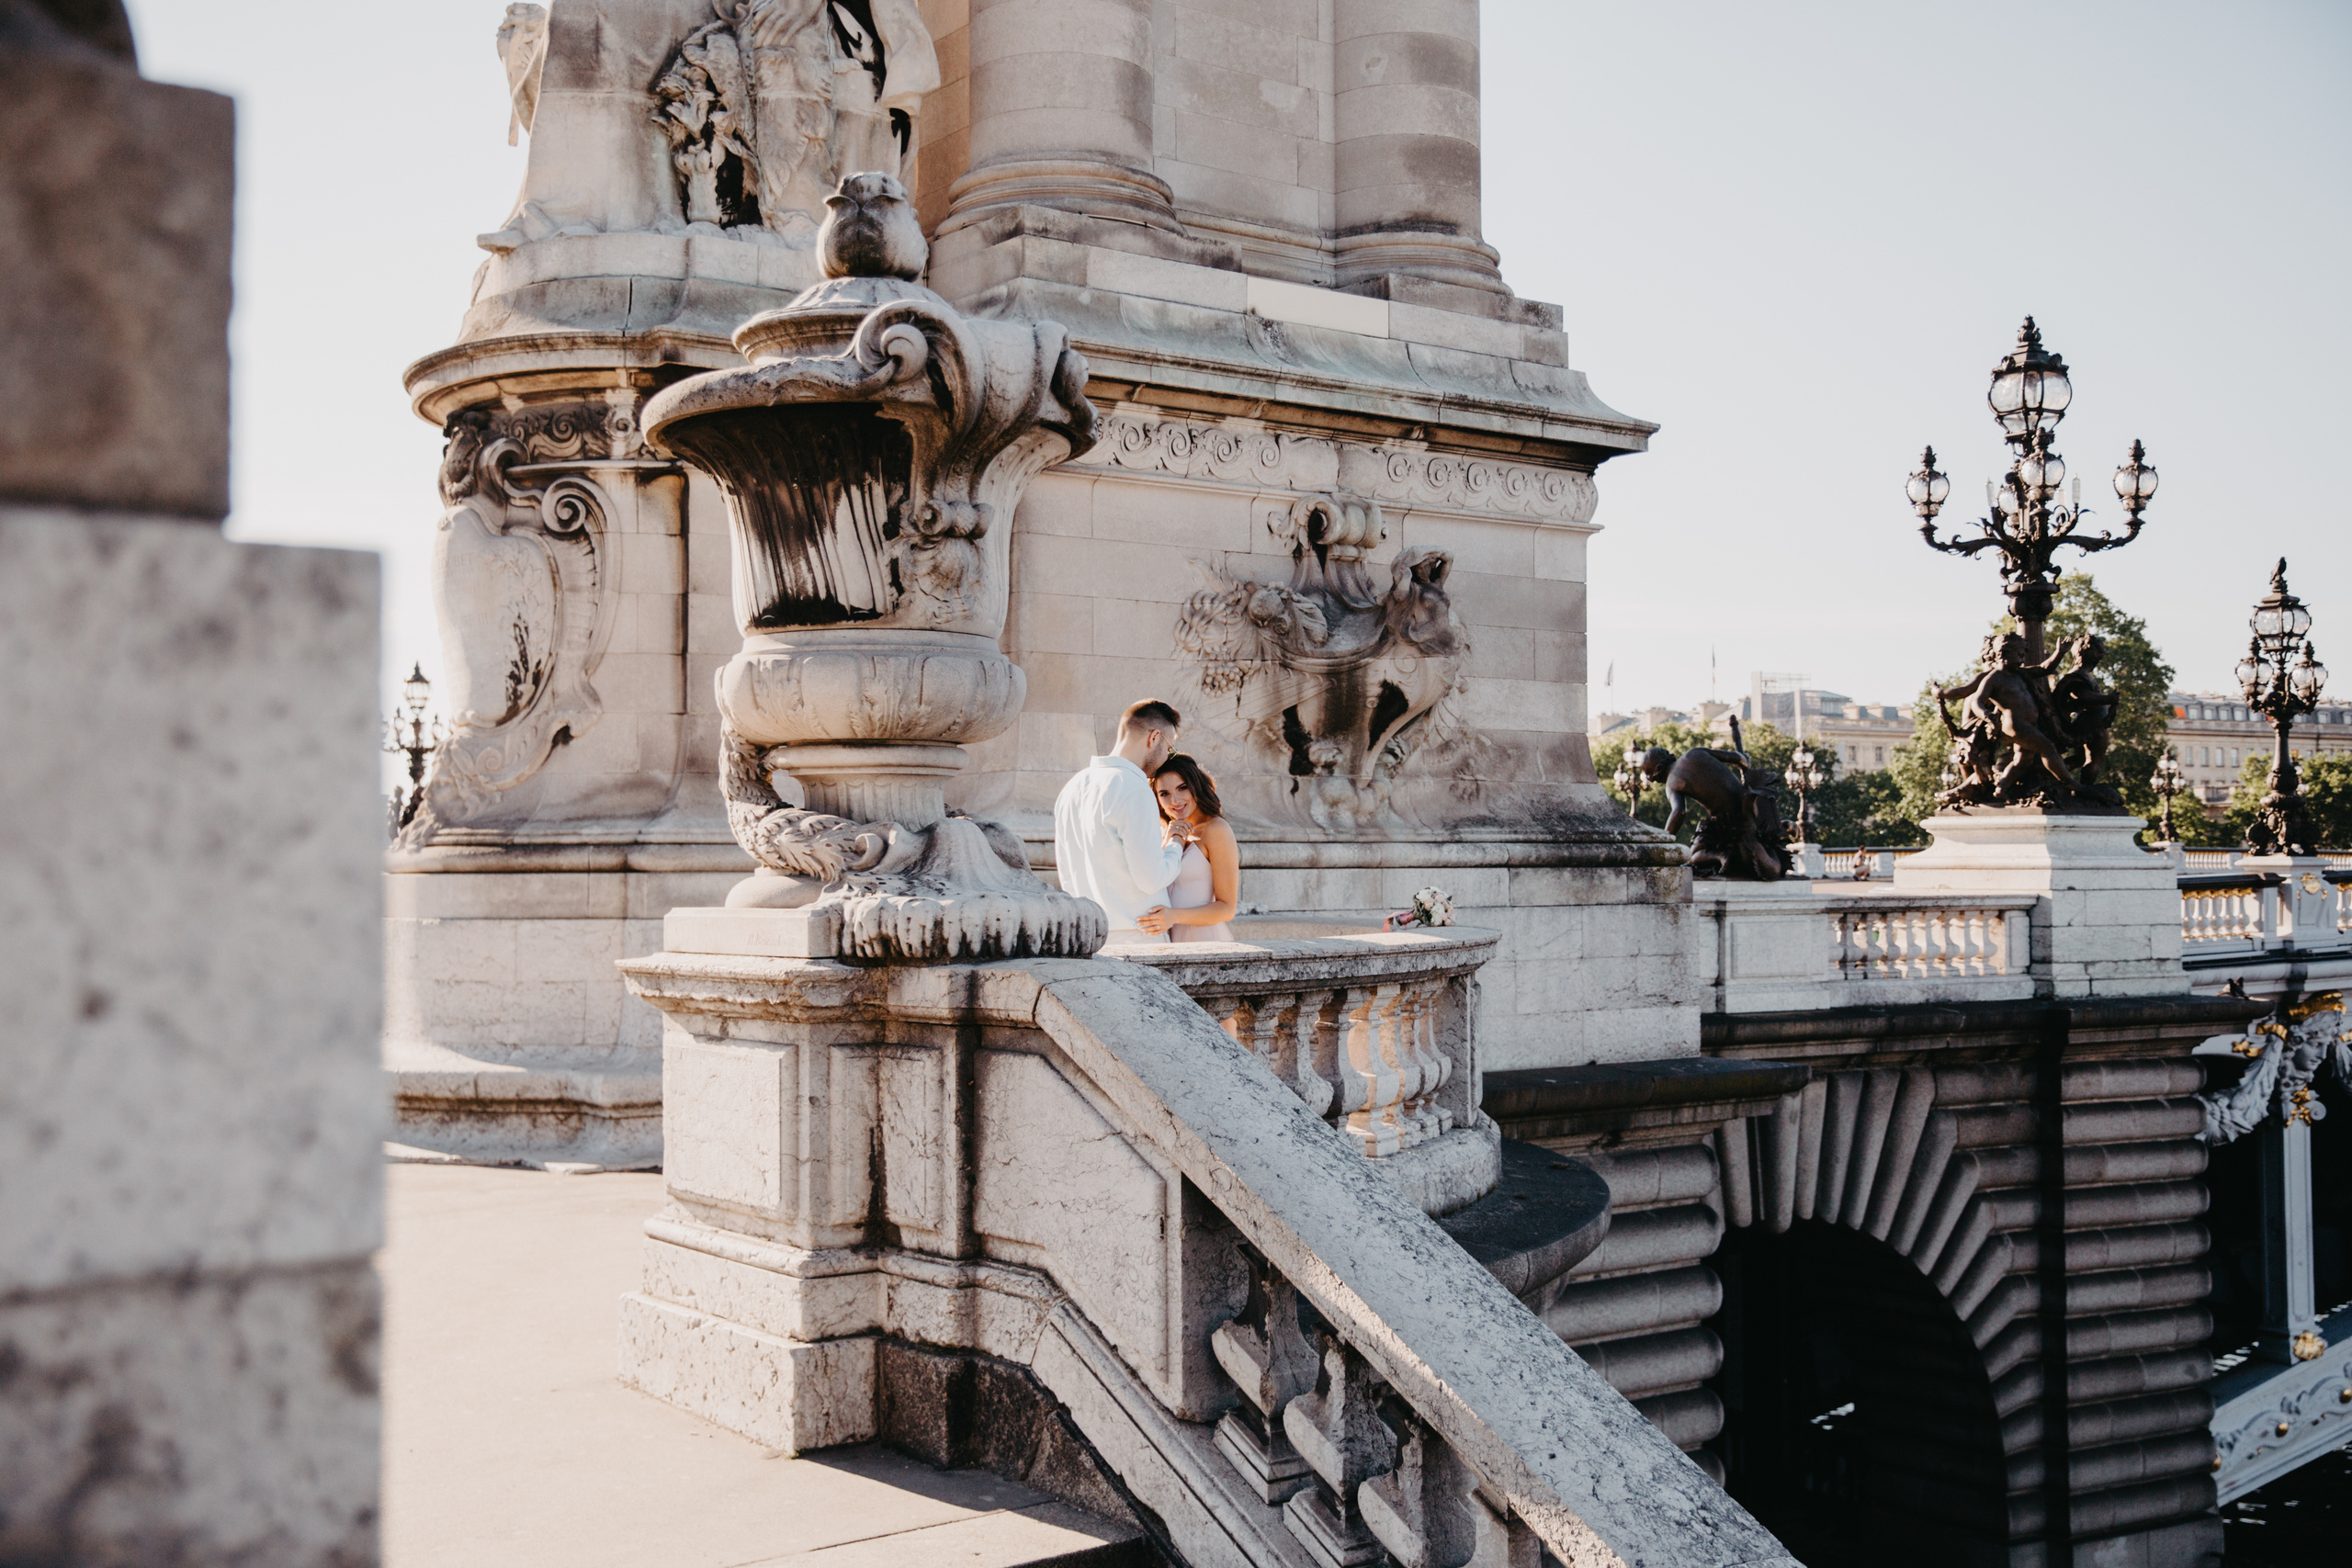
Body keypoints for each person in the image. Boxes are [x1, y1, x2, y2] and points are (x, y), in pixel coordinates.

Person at [1052, 700, 1193, 944]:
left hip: (1087, 938)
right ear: (1154, 737)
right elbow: (1151, 878)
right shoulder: (1134, 788)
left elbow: (1066, 871)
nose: (1168, 758)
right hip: (1139, 936)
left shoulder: (1073, 787)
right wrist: (1175, 842)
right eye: (1170, 749)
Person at [1137, 754, 1238, 942]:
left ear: (1196, 787)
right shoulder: (1166, 834)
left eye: (1182, 788)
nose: (1174, 800)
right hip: (1167, 941)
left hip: (1205, 941)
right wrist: (1170, 839)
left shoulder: (1216, 830)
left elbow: (1227, 908)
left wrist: (1173, 916)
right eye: (1164, 793)